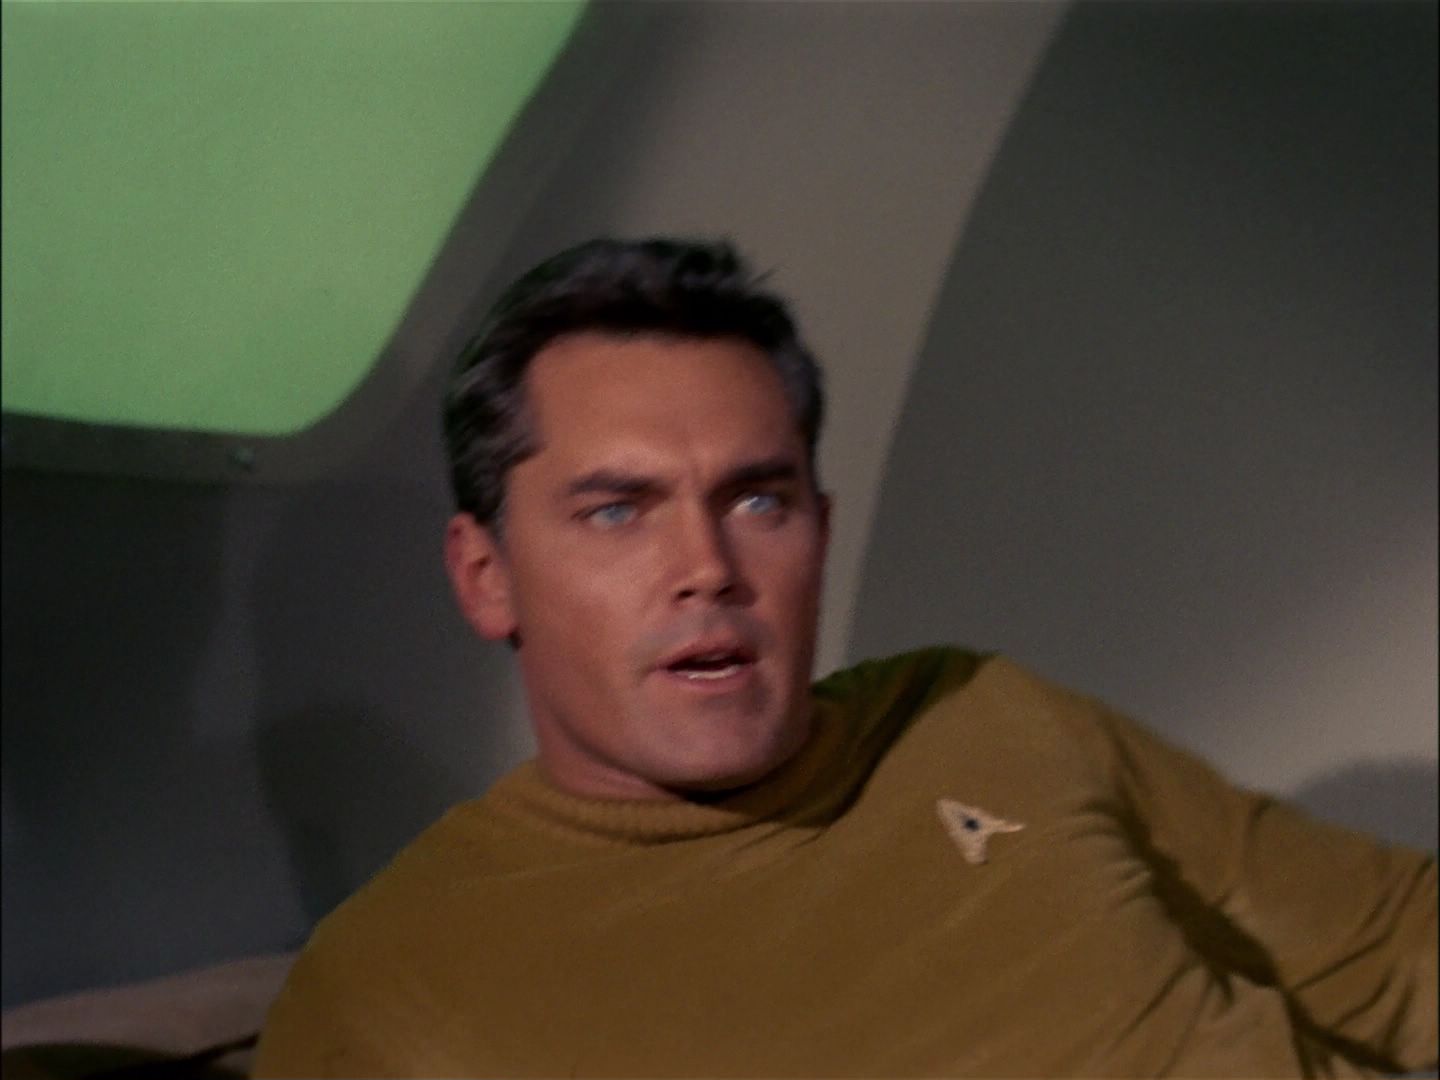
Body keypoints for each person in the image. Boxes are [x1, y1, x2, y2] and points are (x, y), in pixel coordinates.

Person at [254, 238, 1437, 1078]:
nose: (707, 566)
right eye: (617, 511)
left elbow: (1395, 946)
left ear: (819, 531)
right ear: (486, 575)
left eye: (757, 501)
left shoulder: (982, 714)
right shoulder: (389, 989)